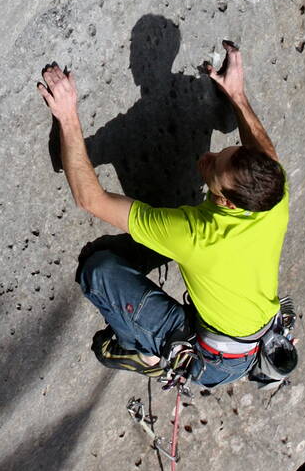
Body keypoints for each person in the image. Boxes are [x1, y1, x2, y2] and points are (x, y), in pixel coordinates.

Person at [35, 40, 289, 387]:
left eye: (215, 168)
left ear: (230, 203)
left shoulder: (196, 235)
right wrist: (237, 96)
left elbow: (90, 199)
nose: (210, 157)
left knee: (98, 269)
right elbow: (264, 148)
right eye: (226, 152)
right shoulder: (272, 190)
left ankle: (144, 353)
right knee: (143, 240)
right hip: (242, 330)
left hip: (212, 357)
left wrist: (67, 116)